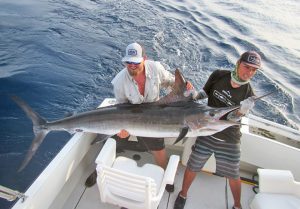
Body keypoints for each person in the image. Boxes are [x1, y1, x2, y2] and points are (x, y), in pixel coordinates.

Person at [85, 42, 192, 192]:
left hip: (154, 117)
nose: (132, 65)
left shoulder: (156, 68)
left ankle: (166, 179)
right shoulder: (119, 81)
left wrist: (185, 86)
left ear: (144, 58)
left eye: (135, 62)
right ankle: (98, 171)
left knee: (160, 152)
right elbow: (121, 108)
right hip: (129, 117)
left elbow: (172, 82)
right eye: (128, 62)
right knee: (112, 143)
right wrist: (122, 130)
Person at [173, 51, 262, 209]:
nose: (249, 72)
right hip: (207, 130)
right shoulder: (219, 75)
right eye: (246, 66)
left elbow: (231, 119)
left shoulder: (249, 95)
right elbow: (203, 93)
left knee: (234, 175)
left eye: (254, 70)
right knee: (193, 166)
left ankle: (237, 205)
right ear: (238, 63)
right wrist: (193, 95)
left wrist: (241, 112)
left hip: (229, 139)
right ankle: (183, 194)